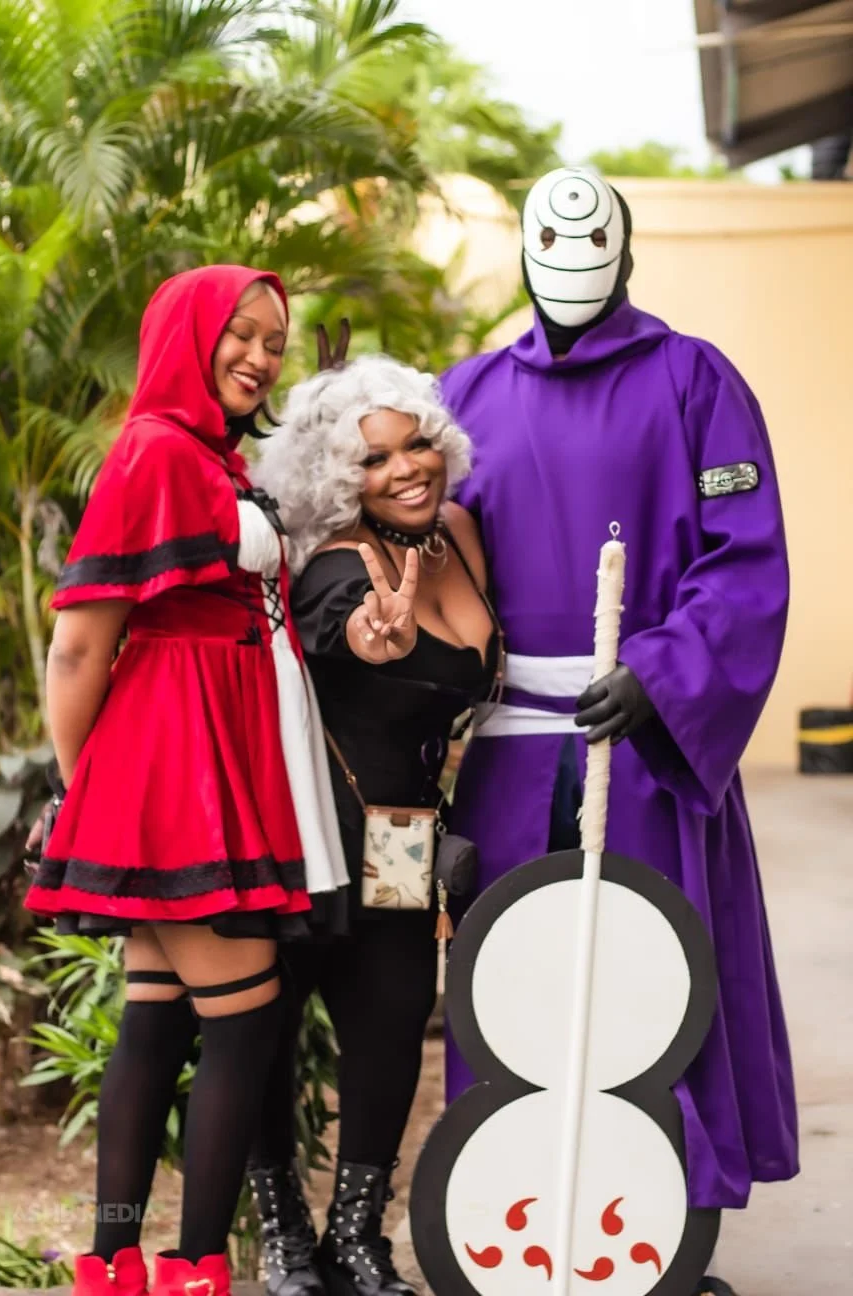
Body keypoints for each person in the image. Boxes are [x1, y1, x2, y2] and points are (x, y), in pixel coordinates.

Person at [439, 166, 798, 1296]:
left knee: (651, 989)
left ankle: (664, 1244)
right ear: (525, 260)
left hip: (641, 741)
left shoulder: (695, 381)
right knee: (516, 996)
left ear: (630, 256)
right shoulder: (465, 394)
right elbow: (424, 565)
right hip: (507, 752)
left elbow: (745, 558)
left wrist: (663, 672)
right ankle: (517, 1234)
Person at [24, 265, 345, 1296]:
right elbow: (80, 647)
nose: (260, 357)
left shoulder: (206, 458)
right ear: (187, 338)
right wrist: (88, 794)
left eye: (274, 342)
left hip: (214, 759)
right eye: (240, 334)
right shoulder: (156, 451)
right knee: (245, 1019)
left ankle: (113, 1259)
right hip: (177, 765)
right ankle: (198, 1265)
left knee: (159, 1014)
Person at [247, 355, 502, 1296]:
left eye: (417, 443)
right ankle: (283, 1237)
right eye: (374, 458)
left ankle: (357, 1238)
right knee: (269, 1036)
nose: (406, 469)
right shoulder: (334, 568)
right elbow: (341, 626)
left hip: (402, 840)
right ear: (336, 478)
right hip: (309, 838)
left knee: (392, 1030)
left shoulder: (460, 535)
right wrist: (370, 634)